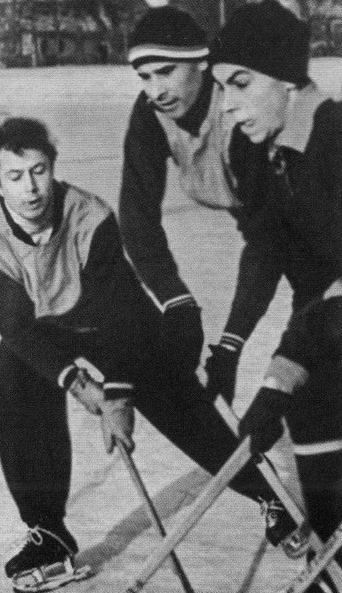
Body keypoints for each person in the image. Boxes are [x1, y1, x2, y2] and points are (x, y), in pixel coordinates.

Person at [0, 117, 291, 591]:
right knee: (12, 385)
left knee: (172, 393)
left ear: (52, 168)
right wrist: (80, 385)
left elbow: (118, 313)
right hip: (43, 328)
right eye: (15, 176)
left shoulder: (90, 215)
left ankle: (266, 492)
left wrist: (117, 396)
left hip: (113, 318)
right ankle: (48, 531)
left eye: (38, 171)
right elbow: (15, 327)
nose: (30, 188)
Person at [119, 4, 306, 557]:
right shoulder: (150, 115)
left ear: (202, 64)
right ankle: (275, 494)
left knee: (311, 369)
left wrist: (230, 344)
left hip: (314, 226)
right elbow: (137, 220)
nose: (155, 89)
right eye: (144, 75)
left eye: (167, 72)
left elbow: (269, 243)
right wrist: (176, 301)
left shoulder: (238, 114)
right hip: (275, 230)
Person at [209, 1, 342, 591]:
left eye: (241, 83)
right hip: (319, 329)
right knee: (325, 504)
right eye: (220, 87)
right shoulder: (256, 151)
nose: (227, 104)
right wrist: (230, 346)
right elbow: (266, 251)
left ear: (288, 79)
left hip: (326, 326)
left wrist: (281, 375)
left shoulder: (337, 138)